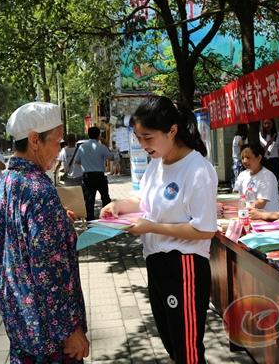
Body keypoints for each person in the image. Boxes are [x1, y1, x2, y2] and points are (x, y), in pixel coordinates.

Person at [100, 96, 217, 364]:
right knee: (171, 340)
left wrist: (150, 226)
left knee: (186, 347)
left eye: (148, 137)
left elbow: (204, 229)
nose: (143, 145)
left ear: (172, 130)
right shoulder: (156, 164)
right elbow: (143, 201)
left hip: (184, 265)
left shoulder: (197, 169)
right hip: (156, 262)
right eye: (139, 138)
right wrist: (119, 205)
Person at [0, 102, 89, 363]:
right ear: (34, 140)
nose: (59, 150)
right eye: (56, 142)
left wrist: (57, 222)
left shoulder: (3, 184)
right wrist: (70, 330)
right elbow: (49, 270)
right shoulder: (40, 191)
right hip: (50, 336)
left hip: (19, 323)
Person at [74, 126, 113, 221]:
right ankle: (107, 217)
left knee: (89, 199)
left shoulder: (82, 147)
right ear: (99, 135)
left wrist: (86, 163)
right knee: (105, 198)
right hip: (100, 176)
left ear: (88, 135)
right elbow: (111, 157)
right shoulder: (101, 147)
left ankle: (90, 220)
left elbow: (77, 161)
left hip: (88, 176)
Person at [233, 143, 279, 212]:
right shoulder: (242, 175)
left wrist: (242, 205)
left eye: (248, 157)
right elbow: (235, 195)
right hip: (247, 215)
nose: (244, 161)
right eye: (242, 158)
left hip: (267, 219)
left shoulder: (267, 176)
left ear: (259, 158)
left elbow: (261, 203)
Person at [232, 124, 248, 188]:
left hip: (236, 159)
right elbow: (242, 148)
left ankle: (237, 188)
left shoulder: (237, 137)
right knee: (239, 176)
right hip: (238, 160)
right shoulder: (238, 137)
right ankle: (237, 188)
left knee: (237, 175)